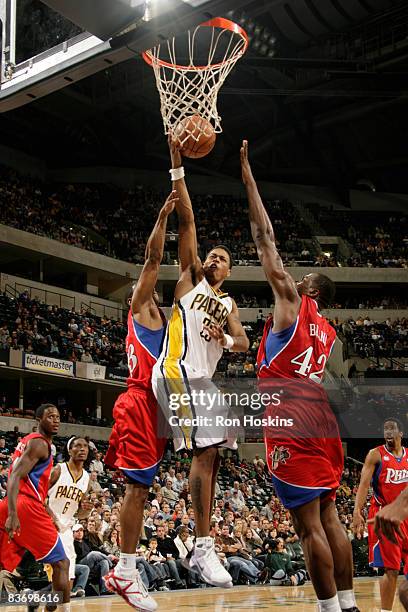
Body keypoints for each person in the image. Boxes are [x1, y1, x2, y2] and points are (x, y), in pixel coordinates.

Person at [241, 140, 357, 612]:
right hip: (322, 418)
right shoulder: (328, 332)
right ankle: (348, 603)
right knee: (331, 516)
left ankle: (330, 608)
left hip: (291, 413)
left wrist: (248, 177)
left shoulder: (292, 301)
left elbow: (264, 237)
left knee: (306, 524)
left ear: (309, 288)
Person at [152, 137, 249, 588]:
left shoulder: (227, 302)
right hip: (175, 371)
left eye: (223, 258)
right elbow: (188, 219)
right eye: (213, 254)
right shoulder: (190, 280)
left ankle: (204, 545)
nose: (215, 258)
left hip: (203, 381)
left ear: (229, 271)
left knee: (214, 454)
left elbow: (244, 343)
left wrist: (226, 338)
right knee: (203, 451)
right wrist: (177, 165)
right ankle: (202, 545)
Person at [103, 192, 177, 611]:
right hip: (138, 402)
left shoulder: (165, 320)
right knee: (137, 488)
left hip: (158, 408)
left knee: (141, 489)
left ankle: (126, 567)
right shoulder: (140, 309)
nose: (142, 284)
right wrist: (163, 217)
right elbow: (151, 260)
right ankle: (125, 570)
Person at [0, 403, 70, 610]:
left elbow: (24, 478)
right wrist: (14, 514)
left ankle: (33, 600)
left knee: (4, 563)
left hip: (12, 502)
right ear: (38, 420)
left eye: (58, 416)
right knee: (62, 564)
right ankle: (59, 608)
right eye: (50, 416)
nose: (55, 420)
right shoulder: (40, 444)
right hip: (25, 507)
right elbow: (14, 475)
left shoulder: (27, 441)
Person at [352, 418, 408, 611]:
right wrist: (357, 511)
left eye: (392, 428)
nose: (388, 432)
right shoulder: (375, 455)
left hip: (406, 514)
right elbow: (364, 485)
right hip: (384, 516)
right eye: (385, 429)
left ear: (401, 433)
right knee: (391, 569)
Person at [47, 436, 92, 598]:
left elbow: (80, 512)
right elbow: (38, 496)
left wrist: (86, 511)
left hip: (66, 527)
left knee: (70, 566)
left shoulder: (86, 478)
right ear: (69, 450)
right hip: (47, 523)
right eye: (78, 446)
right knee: (61, 565)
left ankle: (59, 603)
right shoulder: (58, 470)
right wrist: (50, 516)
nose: (82, 449)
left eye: (85, 446)